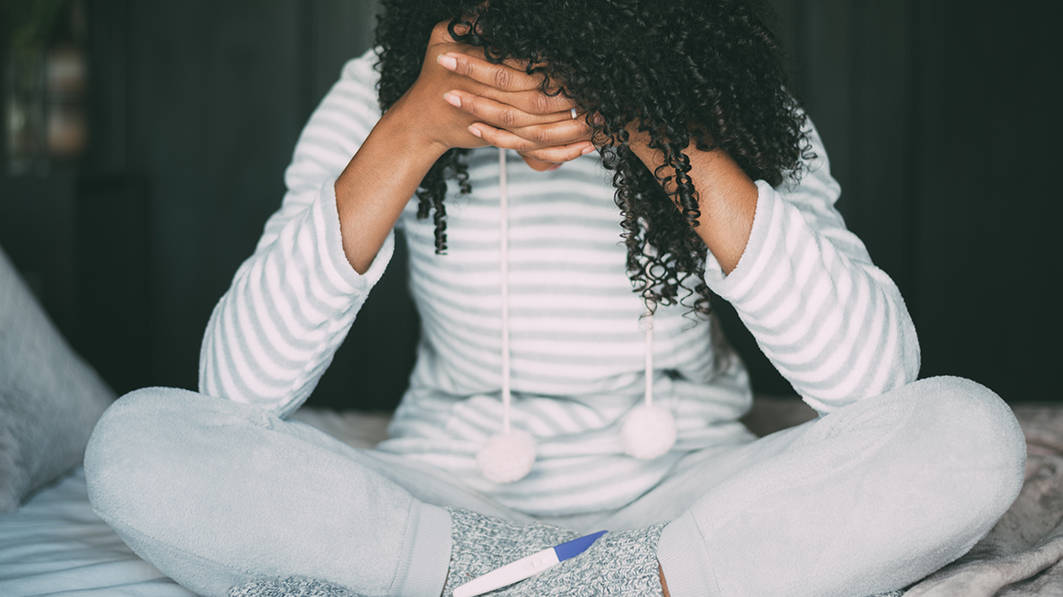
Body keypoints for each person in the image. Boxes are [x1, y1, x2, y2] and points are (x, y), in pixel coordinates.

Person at [84, 2, 1027, 596]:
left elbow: (874, 381)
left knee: (969, 434)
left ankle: (575, 581)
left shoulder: (728, 98)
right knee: (136, 444)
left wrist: (667, 135)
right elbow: (236, 391)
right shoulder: (380, 98)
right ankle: (550, 579)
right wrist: (410, 133)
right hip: (439, 498)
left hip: (686, 499)